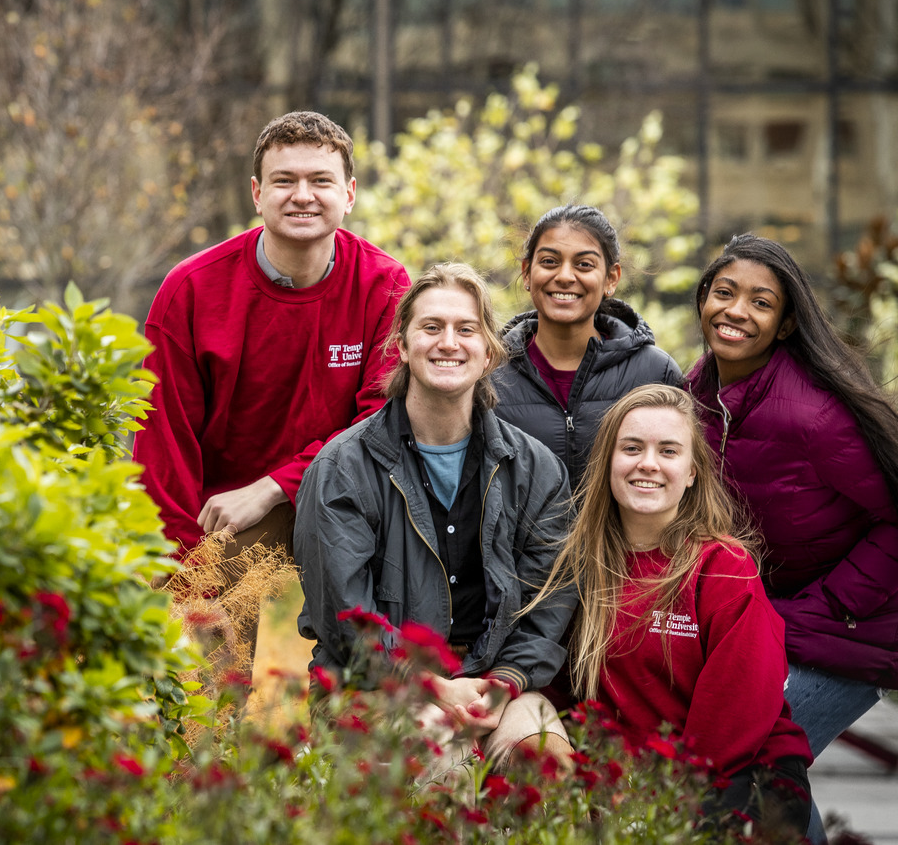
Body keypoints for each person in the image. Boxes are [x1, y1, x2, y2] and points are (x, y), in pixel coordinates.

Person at [687, 235, 898, 841]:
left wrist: (827, 611)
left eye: (760, 302)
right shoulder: (699, 394)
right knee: (758, 768)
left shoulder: (812, 412)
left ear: (786, 322)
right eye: (724, 292)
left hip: (869, 620)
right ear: (703, 299)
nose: (736, 311)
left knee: (752, 762)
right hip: (786, 612)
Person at [134, 111, 411, 678]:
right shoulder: (191, 290)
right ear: (258, 194)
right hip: (221, 509)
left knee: (380, 606)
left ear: (350, 194)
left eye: (321, 181)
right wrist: (189, 573)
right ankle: (208, 755)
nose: (302, 196)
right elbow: (164, 442)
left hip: (339, 491)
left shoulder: (384, 286)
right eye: (284, 181)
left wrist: (273, 488)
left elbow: (379, 422)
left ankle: (350, 740)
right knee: (207, 652)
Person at [293, 262, 578, 772]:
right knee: (440, 771)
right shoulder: (342, 468)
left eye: (466, 329)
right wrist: (432, 687)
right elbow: (346, 624)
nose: (449, 342)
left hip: (497, 685)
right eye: (431, 327)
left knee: (546, 764)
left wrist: (506, 681)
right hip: (376, 687)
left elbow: (550, 599)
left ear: (488, 351)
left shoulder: (536, 470)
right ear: (402, 345)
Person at [523, 384, 814, 835]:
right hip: (631, 781)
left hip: (738, 772)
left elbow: (735, 712)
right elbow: (561, 687)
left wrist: (663, 798)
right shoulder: (583, 565)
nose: (648, 464)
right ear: (607, 463)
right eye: (632, 448)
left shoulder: (722, 567)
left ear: (692, 471)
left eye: (669, 451)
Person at [493, 204, 682, 489]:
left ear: (611, 278)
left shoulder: (656, 372)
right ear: (527, 273)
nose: (566, 276)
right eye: (549, 262)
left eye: (584, 264)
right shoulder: (488, 374)